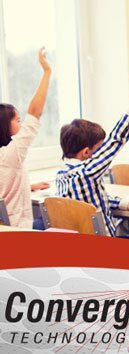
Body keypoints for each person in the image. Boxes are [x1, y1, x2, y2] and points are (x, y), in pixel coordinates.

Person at [56, 73, 129, 236]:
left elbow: (94, 200)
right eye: (100, 149)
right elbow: (116, 139)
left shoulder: (61, 176)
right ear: (87, 152)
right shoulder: (87, 172)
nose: (103, 153)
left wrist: (125, 203)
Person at [0, 48, 51, 228]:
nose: (21, 125)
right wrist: (47, 72)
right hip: (17, 227)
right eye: (17, 120)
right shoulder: (10, 154)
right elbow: (35, 113)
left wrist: (29, 186)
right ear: (4, 125)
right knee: (51, 224)